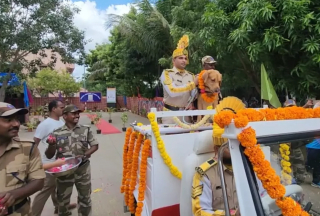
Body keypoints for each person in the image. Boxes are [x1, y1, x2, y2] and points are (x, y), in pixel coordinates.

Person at [45, 105, 99, 216]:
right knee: (62, 200)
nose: (77, 116)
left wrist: (84, 155)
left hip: (82, 169)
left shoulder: (85, 129)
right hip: (64, 172)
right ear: (64, 116)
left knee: (85, 198)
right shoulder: (57, 133)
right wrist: (51, 145)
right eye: (73, 113)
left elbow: (95, 145)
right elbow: (49, 155)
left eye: (78, 113)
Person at [31, 100, 76, 216]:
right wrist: (32, 161)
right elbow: (34, 143)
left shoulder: (60, 121)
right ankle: (33, 213)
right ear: (53, 109)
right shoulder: (45, 124)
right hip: (50, 163)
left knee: (57, 186)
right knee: (45, 190)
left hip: (60, 161)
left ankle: (59, 207)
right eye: (61, 107)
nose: (63, 109)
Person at [0, 102, 45, 216]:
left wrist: (15, 194)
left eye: (17, 119)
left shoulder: (27, 147)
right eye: (8, 120)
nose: (16, 124)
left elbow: (38, 181)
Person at [160, 35, 198, 124]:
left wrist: (199, 85)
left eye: (185, 58)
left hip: (186, 115)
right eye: (180, 58)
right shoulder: (166, 73)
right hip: (170, 115)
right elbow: (172, 92)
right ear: (173, 60)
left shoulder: (191, 75)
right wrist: (193, 84)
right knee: (170, 138)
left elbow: (194, 95)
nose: (184, 60)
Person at [191, 147, 239, 215]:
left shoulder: (249, 167)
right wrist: (232, 214)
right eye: (228, 147)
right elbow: (200, 212)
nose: (232, 148)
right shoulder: (204, 174)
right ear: (217, 148)